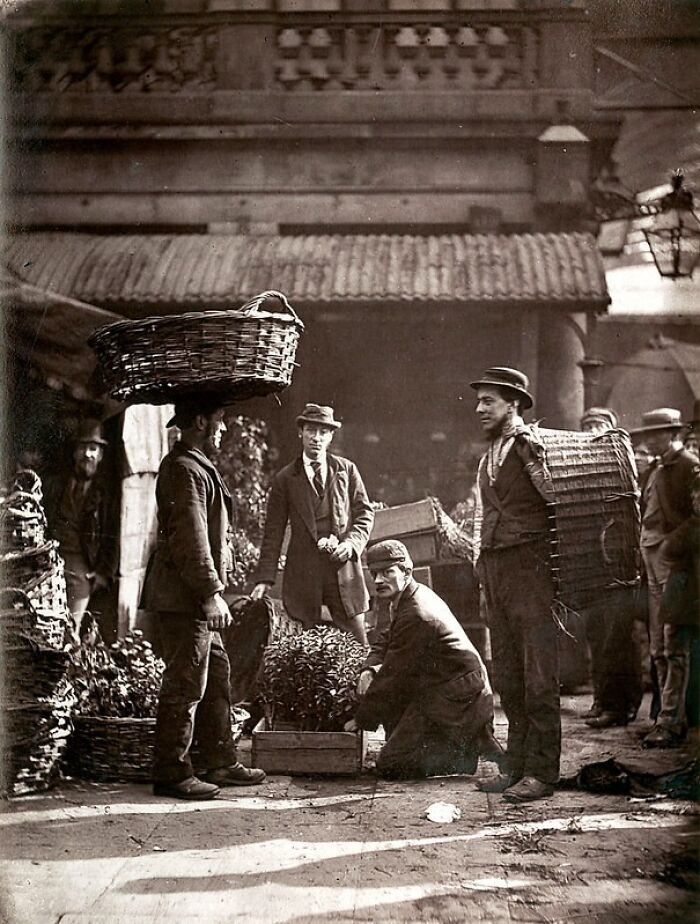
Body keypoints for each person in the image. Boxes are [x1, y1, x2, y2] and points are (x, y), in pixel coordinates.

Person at [142, 394, 266, 799]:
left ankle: (220, 761)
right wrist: (212, 593)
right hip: (184, 599)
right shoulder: (184, 469)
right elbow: (191, 539)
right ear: (200, 422)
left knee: (216, 676)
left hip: (191, 596)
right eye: (220, 420)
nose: (224, 429)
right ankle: (171, 772)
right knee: (186, 683)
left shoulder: (195, 466)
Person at [470, 366, 559, 803]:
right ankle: (517, 767)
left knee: (538, 674)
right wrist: (479, 563)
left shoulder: (529, 446)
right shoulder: (489, 454)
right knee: (508, 673)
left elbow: (556, 498)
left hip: (530, 568)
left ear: (515, 404)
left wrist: (537, 458)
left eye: (489, 401)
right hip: (496, 569)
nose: (479, 408)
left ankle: (542, 773)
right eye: (479, 400)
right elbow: (482, 513)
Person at [344, 539, 502, 779]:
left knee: (390, 765)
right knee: (396, 735)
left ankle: (461, 756)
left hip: (459, 697)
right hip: (443, 686)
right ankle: (451, 744)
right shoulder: (409, 596)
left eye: (387, 572)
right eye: (374, 573)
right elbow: (386, 638)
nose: (378, 580)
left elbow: (393, 675)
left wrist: (362, 719)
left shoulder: (416, 612)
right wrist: (369, 669)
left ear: (407, 571)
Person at [252, 403, 374, 646]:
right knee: (306, 649)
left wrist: (351, 545)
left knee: (357, 645)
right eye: (310, 430)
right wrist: (265, 578)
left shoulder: (346, 470)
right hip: (304, 576)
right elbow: (273, 531)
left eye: (323, 432)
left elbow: (364, 514)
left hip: (343, 573)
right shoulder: (285, 479)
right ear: (301, 433)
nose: (316, 438)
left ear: (331, 437)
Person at [632, 408, 699, 748]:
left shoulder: (688, 465)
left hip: (674, 564)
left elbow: (696, 518)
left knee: (673, 644)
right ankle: (665, 716)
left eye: (656, 434)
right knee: (658, 642)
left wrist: (672, 545)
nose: (649, 440)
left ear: (672, 434)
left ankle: (672, 720)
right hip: (651, 560)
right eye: (647, 434)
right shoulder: (656, 468)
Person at [579, 407, 643, 728]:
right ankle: (602, 698)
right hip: (594, 564)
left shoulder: (624, 461)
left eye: (599, 425)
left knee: (618, 636)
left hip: (620, 563)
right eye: (587, 425)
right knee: (596, 633)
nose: (593, 431)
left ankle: (621, 704)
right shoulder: (581, 467)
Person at [44, 419, 119, 643]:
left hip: (82, 568)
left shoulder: (105, 494)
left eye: (93, 449)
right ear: (74, 452)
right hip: (51, 563)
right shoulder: (56, 486)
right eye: (83, 448)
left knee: (70, 630)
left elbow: (112, 536)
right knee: (46, 624)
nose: (87, 454)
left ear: (101, 455)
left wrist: (104, 572)